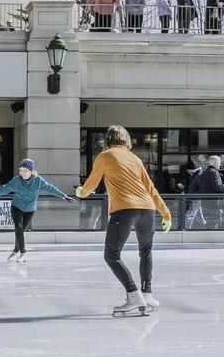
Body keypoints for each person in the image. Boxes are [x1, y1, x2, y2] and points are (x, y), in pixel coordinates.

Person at [77, 126, 171, 316]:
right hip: (147, 209)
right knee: (145, 251)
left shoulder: (105, 156)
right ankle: (147, 293)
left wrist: (81, 192)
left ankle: (133, 294)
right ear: (126, 140)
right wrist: (166, 214)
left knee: (111, 255)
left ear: (108, 139)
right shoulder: (135, 159)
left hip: (124, 209)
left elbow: (92, 184)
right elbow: (151, 188)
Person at [0, 158, 74, 261]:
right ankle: (23, 252)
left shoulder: (38, 180)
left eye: (25, 170)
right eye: (20, 170)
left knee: (21, 231)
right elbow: (4, 189)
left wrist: (64, 196)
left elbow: (50, 188)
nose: (22, 173)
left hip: (30, 209)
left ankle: (16, 250)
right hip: (17, 206)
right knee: (18, 227)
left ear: (31, 171)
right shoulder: (17, 180)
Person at [194, 154, 224, 229]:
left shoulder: (204, 172)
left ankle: (208, 238)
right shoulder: (214, 172)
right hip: (214, 204)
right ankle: (212, 239)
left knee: (209, 223)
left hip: (205, 202)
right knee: (214, 224)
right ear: (216, 163)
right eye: (219, 163)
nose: (220, 165)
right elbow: (218, 187)